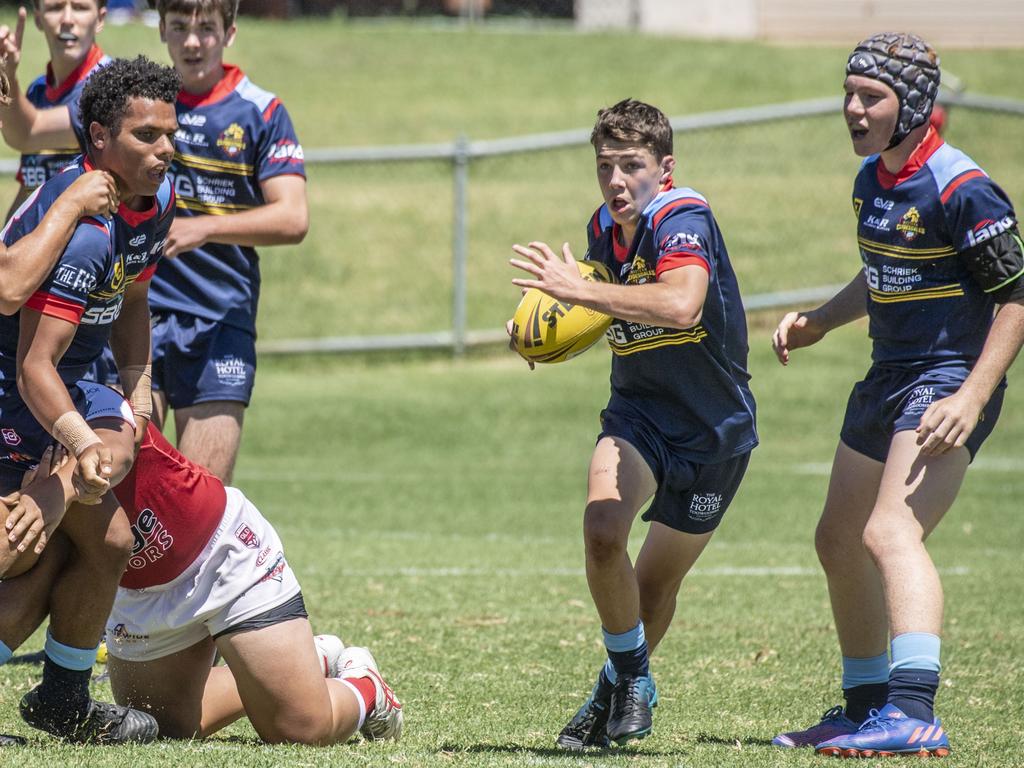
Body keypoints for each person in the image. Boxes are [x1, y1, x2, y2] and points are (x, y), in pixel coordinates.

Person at [770, 33, 1024, 758]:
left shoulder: (962, 186)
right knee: (836, 539)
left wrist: (973, 397)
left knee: (888, 533)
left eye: (870, 97)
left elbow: (1017, 298)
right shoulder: (872, 181)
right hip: (887, 376)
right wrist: (821, 320)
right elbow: (882, 272)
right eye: (848, 93)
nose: (852, 109)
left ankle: (913, 710)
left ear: (912, 103)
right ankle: (865, 706)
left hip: (946, 381)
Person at [508, 99, 757, 748]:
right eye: (604, 166)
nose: (616, 181)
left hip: (713, 430)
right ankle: (636, 679)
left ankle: (609, 694)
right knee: (601, 533)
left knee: (651, 591)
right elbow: (596, 307)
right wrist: (540, 334)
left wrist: (577, 293)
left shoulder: (682, 216)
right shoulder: (602, 225)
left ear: (664, 168)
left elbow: (681, 303)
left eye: (631, 166)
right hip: (638, 413)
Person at [0, 0, 309, 484]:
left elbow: (294, 217)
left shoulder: (257, 111)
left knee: (196, 488)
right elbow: (29, 131)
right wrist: (10, 82)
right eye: (180, 26)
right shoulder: (126, 107)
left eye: (206, 27)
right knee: (119, 473)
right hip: (120, 313)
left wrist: (203, 226)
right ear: (162, 29)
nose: (191, 40)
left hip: (216, 316)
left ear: (229, 33)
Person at [0, 406, 403, 746]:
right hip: (136, 591)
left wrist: (57, 491)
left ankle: (366, 686)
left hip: (222, 557)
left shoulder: (92, 390)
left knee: (300, 728)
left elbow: (117, 451)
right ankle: (309, 658)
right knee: (162, 728)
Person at [0, 54, 179, 743]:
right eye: (146, 137)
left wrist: (137, 379)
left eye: (170, 133)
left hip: (64, 382)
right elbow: (30, 362)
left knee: (108, 543)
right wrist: (75, 452)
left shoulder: (153, 197)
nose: (164, 150)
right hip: (19, 390)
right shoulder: (83, 225)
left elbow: (134, 293)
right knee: (18, 547)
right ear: (99, 138)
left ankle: (63, 701)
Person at [0, 0, 109, 219]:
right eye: (55, 8)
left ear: (100, 19)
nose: (67, 20)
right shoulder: (37, 91)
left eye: (80, 8)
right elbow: (30, 188)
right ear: (38, 18)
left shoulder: (109, 88)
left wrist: (6, 75)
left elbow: (26, 133)